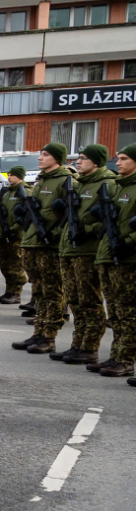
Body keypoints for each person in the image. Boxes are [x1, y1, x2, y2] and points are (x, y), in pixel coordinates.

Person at [52, 144, 111, 363]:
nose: (78, 161)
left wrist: (88, 231)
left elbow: (108, 220)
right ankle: (77, 344)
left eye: (84, 158)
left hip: (88, 251)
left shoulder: (106, 185)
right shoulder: (79, 184)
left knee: (89, 301)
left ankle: (90, 348)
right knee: (75, 300)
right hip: (70, 249)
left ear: (96, 162)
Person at [94, 143, 136, 378]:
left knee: (128, 311)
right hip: (109, 255)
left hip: (128, 259)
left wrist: (128, 241)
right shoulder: (119, 187)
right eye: (117, 158)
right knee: (116, 312)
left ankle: (126, 359)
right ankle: (116, 355)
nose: (118, 163)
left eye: (124, 159)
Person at [0, 166, 28, 306]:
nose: (9, 177)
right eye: (9, 174)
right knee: (5, 264)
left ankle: (16, 293)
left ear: (20, 176)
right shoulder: (7, 192)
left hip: (16, 236)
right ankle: (9, 290)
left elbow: (25, 214)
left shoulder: (24, 192)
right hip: (3, 234)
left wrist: (13, 229)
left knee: (16, 265)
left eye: (12, 175)